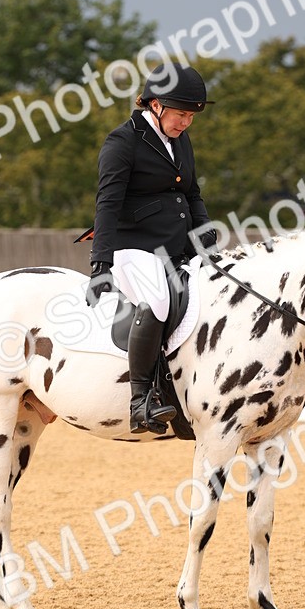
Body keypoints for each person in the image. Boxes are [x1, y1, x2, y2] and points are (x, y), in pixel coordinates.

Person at [86, 62, 217, 434]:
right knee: (158, 299)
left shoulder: (180, 141)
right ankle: (141, 400)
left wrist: (205, 233)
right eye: (181, 115)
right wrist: (101, 263)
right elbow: (107, 204)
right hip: (133, 248)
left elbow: (191, 193)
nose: (186, 123)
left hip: (176, 248)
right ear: (156, 105)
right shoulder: (122, 141)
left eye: (191, 117)